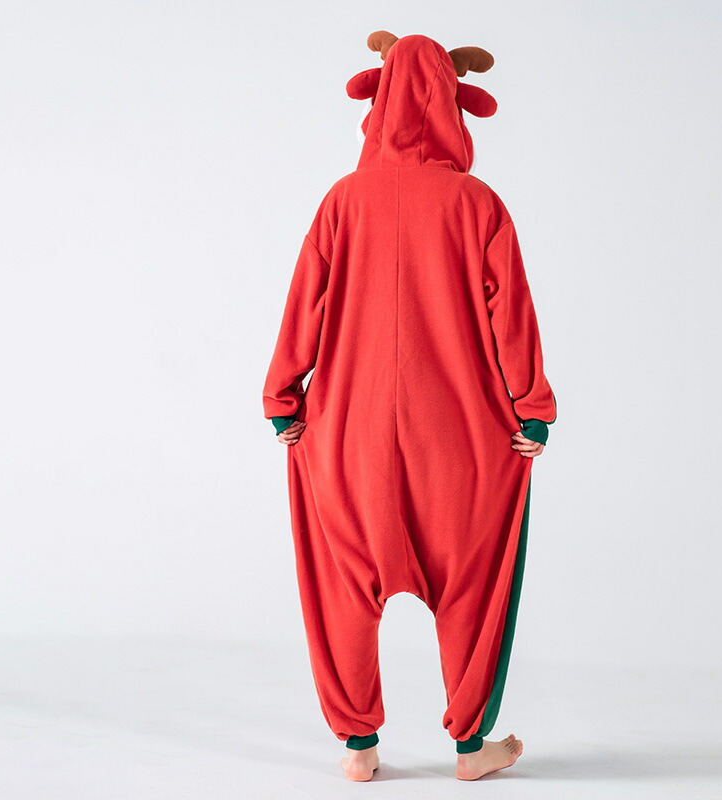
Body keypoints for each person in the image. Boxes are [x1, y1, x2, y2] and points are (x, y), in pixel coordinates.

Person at [262, 30, 557, 782]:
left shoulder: (342, 201)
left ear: (379, 101)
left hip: (348, 431)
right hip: (458, 434)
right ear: (455, 107)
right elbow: (512, 316)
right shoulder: (478, 204)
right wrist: (532, 410)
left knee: (340, 580)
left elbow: (304, 301)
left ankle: (359, 747)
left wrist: (283, 398)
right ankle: (471, 748)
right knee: (472, 581)